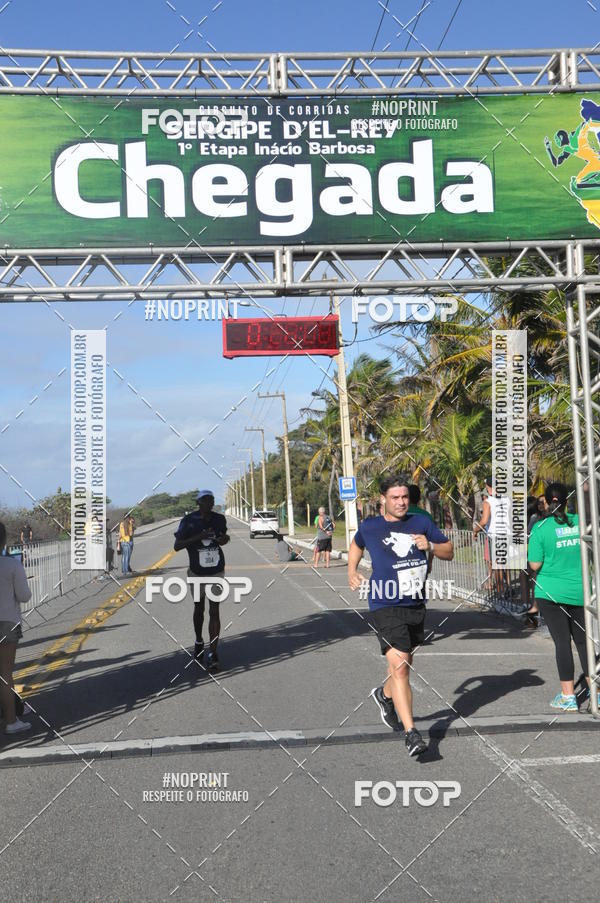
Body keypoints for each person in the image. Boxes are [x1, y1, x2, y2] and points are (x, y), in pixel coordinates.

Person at [348, 475, 453, 758]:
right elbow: (356, 544)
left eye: (404, 497)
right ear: (383, 499)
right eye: (395, 498)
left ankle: (384, 695)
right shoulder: (371, 526)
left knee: (402, 666)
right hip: (383, 602)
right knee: (402, 667)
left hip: (415, 604)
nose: (401, 502)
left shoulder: (420, 522)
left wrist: (429, 546)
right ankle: (411, 733)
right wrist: (351, 570)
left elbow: (449, 551)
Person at [528, 482, 597, 711]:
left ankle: (568, 696)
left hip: (550, 593)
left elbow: (535, 563)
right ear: (567, 501)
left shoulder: (540, 527)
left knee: (562, 642)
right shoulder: (582, 524)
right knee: (583, 642)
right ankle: (595, 693)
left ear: (546, 502)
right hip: (580, 591)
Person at [174, 490, 229, 672]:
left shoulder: (219, 519)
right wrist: (198, 537)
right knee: (199, 608)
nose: (211, 503)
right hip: (197, 572)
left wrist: (223, 539)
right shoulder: (189, 521)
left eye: (212, 500)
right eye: (206, 500)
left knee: (215, 610)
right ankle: (199, 640)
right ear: (199, 503)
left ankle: (213, 652)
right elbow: (177, 546)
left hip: (216, 570)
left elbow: (223, 537)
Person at [0, 521, 32, 734]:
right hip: (7, 623)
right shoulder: (12, 565)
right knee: (5, 674)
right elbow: (24, 596)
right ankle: (11, 721)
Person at [473, 476, 509, 596]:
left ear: (488, 487)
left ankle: (500, 592)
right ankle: (507, 587)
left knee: (497, 565)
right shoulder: (507, 500)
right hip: (507, 534)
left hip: (495, 536)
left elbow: (483, 521)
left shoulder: (488, 502)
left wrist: (475, 531)